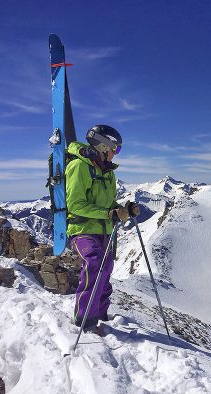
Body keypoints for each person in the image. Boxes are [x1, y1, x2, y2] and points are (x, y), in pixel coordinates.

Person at [65, 124, 139, 332]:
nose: (116, 154)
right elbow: (76, 205)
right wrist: (109, 214)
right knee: (94, 263)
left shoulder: (108, 173)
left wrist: (124, 209)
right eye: (115, 149)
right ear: (102, 146)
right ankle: (84, 318)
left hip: (104, 230)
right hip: (81, 229)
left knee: (106, 270)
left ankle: (101, 314)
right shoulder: (79, 167)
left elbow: (109, 204)